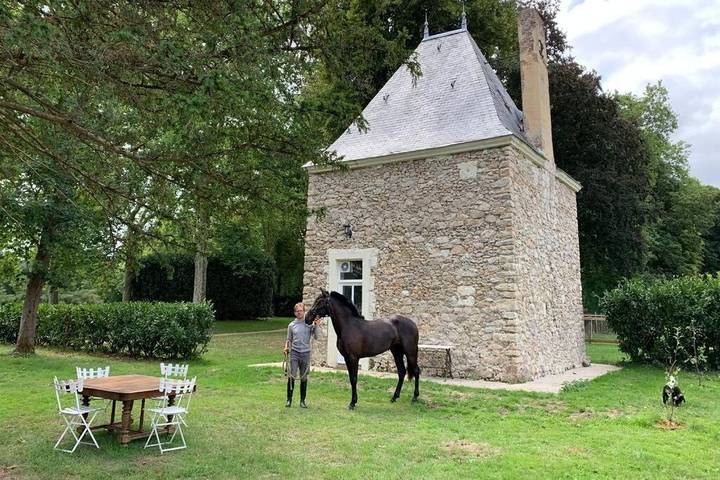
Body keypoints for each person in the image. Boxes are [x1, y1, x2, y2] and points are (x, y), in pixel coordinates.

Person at [284, 303, 320, 408]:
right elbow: (288, 339)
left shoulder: (309, 324)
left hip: (305, 353)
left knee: (304, 378)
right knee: (292, 376)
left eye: (301, 310)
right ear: (295, 312)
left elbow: (317, 336)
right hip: (294, 353)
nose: (299, 312)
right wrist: (286, 348)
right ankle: (289, 400)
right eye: (297, 311)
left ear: (304, 311)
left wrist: (316, 325)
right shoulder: (291, 325)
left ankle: (302, 401)